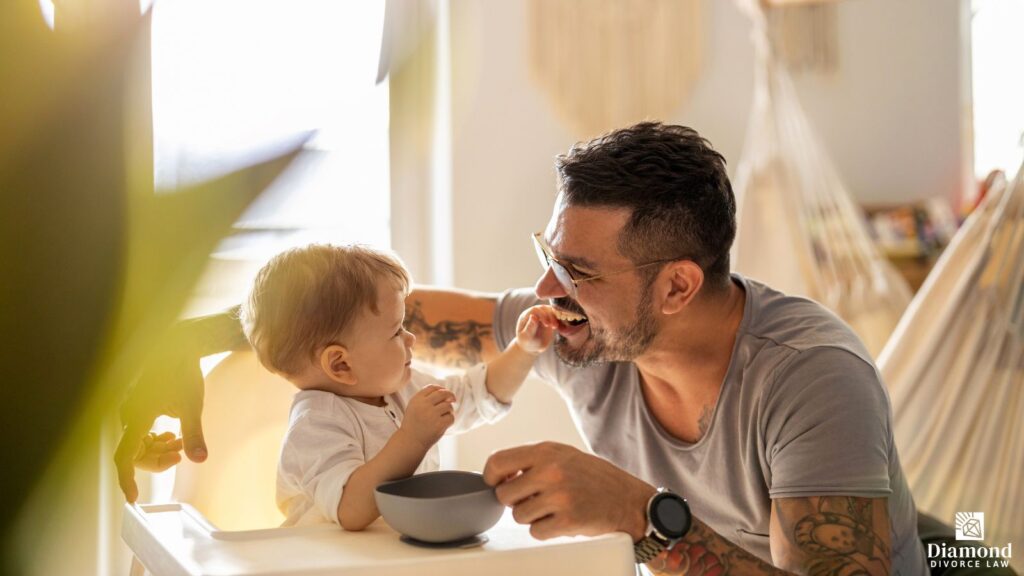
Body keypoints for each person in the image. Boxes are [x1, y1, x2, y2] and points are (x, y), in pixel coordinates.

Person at [118, 123, 927, 574]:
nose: (544, 293)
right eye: (548, 254)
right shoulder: (576, 330)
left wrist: (640, 514)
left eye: (577, 270)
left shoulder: (810, 381)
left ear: (678, 287)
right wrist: (193, 338)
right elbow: (382, 319)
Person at [243, 244, 556, 527]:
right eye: (395, 332)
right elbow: (351, 509)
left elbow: (476, 395)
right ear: (341, 364)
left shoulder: (400, 387)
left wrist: (523, 349)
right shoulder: (315, 424)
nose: (411, 338)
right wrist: (412, 438)